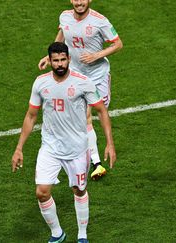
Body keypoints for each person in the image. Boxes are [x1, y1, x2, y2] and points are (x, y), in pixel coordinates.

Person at [12, 42, 116, 243]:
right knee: (41, 193)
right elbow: (31, 116)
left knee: (79, 190)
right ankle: (57, 234)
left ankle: (82, 235)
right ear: (49, 61)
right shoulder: (40, 83)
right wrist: (19, 148)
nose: (59, 64)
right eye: (55, 60)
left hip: (77, 149)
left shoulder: (83, 82)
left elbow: (101, 111)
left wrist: (109, 143)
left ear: (69, 59)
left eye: (62, 60)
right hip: (50, 148)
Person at [38, 0, 123, 180]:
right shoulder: (65, 16)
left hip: (98, 76)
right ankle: (96, 163)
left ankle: (90, 160)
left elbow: (118, 44)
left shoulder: (100, 21)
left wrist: (96, 55)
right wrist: (50, 56)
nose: (79, 2)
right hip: (75, 75)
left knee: (99, 113)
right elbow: (62, 34)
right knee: (83, 117)